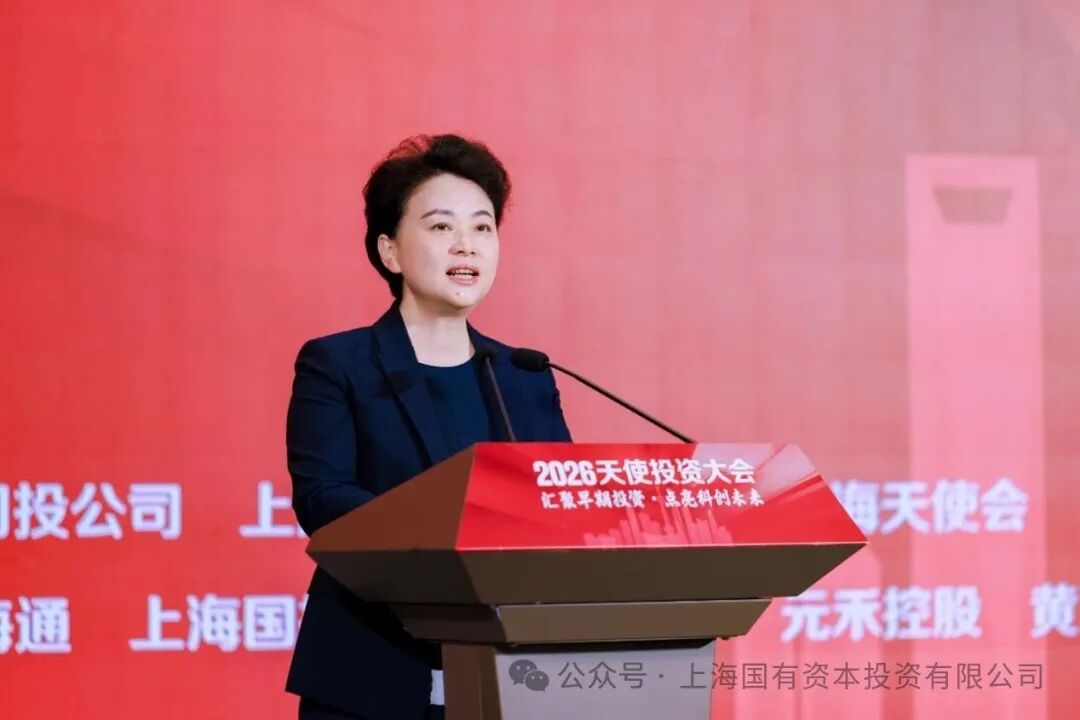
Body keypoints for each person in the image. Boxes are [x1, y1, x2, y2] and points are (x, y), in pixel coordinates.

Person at [284, 134, 573, 720]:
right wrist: (457, 524)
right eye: (442, 226)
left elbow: (561, 501)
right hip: (372, 668)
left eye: (483, 227)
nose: (466, 243)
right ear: (390, 251)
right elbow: (323, 499)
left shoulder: (523, 375)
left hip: (512, 671)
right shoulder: (339, 363)